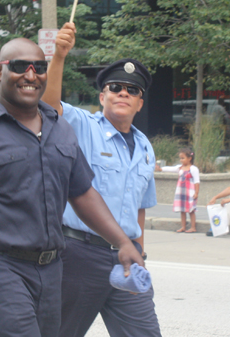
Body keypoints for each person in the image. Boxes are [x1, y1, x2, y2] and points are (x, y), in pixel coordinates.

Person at [0, 37, 144, 337]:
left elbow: (83, 193)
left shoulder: (59, 129)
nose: (31, 75)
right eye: (20, 66)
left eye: (39, 67)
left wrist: (123, 242)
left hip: (50, 271)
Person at [41, 22, 161, 337]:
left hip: (126, 260)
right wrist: (59, 58)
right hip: (80, 255)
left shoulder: (145, 147)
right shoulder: (83, 125)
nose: (124, 92)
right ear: (102, 96)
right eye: (116, 87)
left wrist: (140, 256)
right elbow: (48, 105)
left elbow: (140, 208)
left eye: (132, 90)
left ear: (140, 103)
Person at [155, 147, 200, 233]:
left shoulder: (193, 169)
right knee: (182, 210)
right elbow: (170, 168)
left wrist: (196, 192)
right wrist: (161, 169)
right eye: (180, 158)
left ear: (190, 158)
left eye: (183, 158)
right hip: (181, 193)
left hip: (190, 193)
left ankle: (193, 227)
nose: (181, 160)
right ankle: (183, 226)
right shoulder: (180, 168)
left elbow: (197, 182)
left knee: (191, 210)